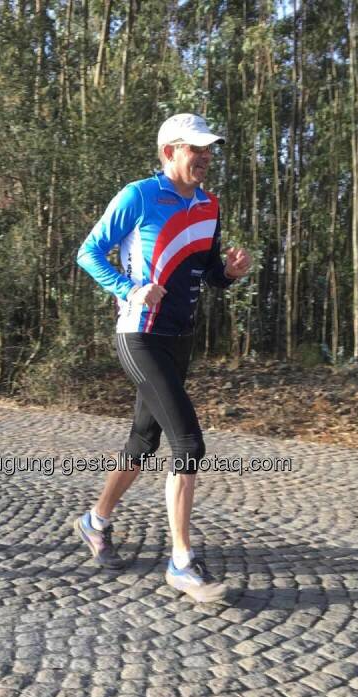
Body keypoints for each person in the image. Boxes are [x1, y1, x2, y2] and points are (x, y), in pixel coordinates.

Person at [74, 113, 252, 602]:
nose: (206, 157)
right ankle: (181, 563)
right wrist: (129, 288)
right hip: (140, 335)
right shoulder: (138, 196)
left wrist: (229, 272)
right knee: (188, 443)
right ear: (169, 151)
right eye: (197, 148)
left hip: (180, 337)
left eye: (210, 149)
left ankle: (94, 521)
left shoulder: (209, 205)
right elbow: (88, 253)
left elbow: (207, 271)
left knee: (143, 440)